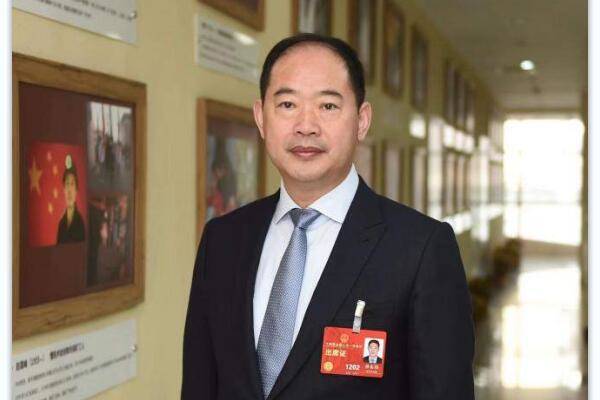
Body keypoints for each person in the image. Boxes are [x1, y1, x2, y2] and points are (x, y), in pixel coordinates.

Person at [182, 34, 474, 400]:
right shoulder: (223, 239)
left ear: (361, 121)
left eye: (328, 106)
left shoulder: (420, 248)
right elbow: (199, 385)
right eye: (287, 104)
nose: (306, 125)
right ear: (261, 117)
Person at [56, 154, 85, 244]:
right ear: (64, 190)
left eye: (72, 184)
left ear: (76, 190)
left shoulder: (80, 222)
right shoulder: (61, 224)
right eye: (67, 184)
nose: (69, 190)